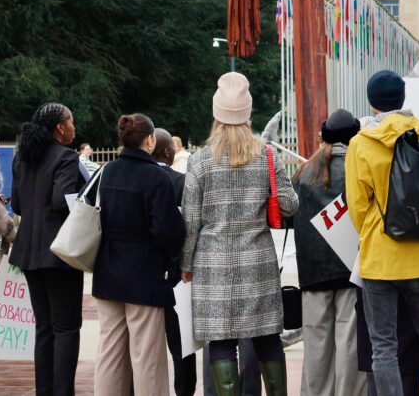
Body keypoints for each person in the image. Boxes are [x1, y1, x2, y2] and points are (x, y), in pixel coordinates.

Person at [181, 72, 299, 396]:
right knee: (267, 338)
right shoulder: (266, 157)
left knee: (220, 341)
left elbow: (190, 222)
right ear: (247, 114)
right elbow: (290, 205)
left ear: (216, 113)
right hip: (258, 262)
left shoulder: (199, 161)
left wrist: (185, 264)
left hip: (212, 265)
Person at [344, 70, 419, 396]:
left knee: (384, 346)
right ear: (403, 98)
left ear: (371, 102)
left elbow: (357, 204)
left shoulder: (362, 143)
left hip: (380, 255)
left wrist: (375, 231)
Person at [91, 115, 186, 396]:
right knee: (147, 357)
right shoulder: (156, 177)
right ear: (149, 140)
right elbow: (167, 231)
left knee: (110, 353)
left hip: (107, 271)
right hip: (144, 276)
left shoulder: (108, 171)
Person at [10, 102, 86, 396]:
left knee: (43, 327)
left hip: (28, 251)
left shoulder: (22, 158)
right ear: (60, 128)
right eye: (71, 122)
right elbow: (60, 200)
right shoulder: (66, 157)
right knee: (66, 328)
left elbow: (16, 204)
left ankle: (44, 390)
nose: (74, 127)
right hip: (59, 253)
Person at [292, 109, 368, 396]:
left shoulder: (305, 171)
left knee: (315, 342)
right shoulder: (360, 167)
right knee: (350, 342)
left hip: (313, 272)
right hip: (352, 268)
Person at [150, 128, 198, 396]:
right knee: (181, 346)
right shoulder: (181, 181)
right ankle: (184, 392)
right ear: (169, 152)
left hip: (142, 273)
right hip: (176, 272)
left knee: (142, 345)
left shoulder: (138, 178)